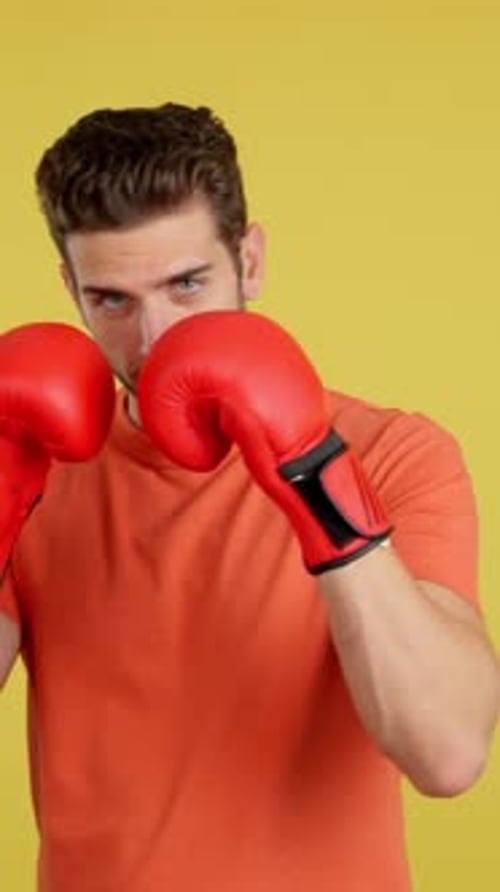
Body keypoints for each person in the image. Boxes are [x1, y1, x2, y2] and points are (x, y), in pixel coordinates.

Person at [0, 102, 498, 892]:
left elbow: (447, 754)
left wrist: (312, 472)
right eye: (113, 301)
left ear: (251, 260)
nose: (155, 337)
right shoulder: (37, 460)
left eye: (187, 283)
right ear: (71, 289)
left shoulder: (394, 453)